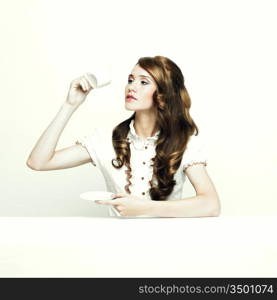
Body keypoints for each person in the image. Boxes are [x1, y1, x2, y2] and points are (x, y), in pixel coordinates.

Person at [27, 55, 220, 218]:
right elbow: (39, 162)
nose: (131, 87)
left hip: (166, 245)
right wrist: (70, 105)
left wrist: (147, 208)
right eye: (130, 80)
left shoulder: (184, 142)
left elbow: (211, 204)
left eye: (143, 82)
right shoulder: (104, 140)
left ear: (164, 93)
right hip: (116, 245)